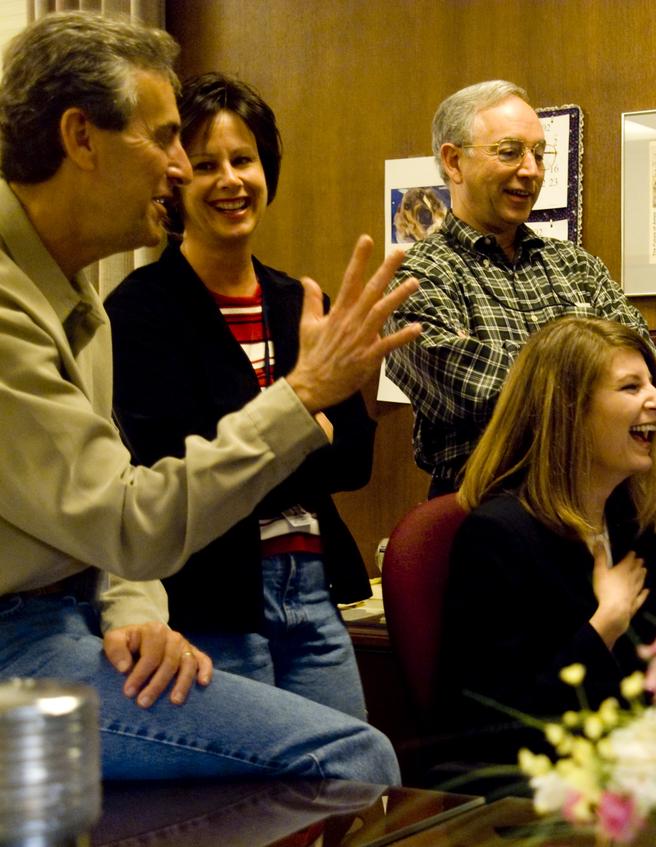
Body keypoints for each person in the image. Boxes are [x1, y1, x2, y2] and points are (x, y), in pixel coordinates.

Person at [0, 12, 420, 781]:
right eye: (167, 140)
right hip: (36, 635)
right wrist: (300, 400)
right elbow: (136, 512)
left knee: (347, 768)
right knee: (350, 759)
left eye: (240, 158)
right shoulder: (76, 306)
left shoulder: (76, 297)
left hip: (108, 606)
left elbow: (107, 513)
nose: (180, 170)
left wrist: (136, 612)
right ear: (80, 137)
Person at [105, 73, 373, 720]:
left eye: (243, 159)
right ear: (174, 181)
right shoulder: (139, 312)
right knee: (248, 811)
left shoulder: (299, 303)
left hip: (312, 586)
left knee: (358, 787)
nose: (230, 179)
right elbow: (172, 465)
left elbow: (355, 457)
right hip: (209, 597)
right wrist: (305, 422)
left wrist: (263, 442)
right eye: (205, 165)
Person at [382, 80, 656, 497]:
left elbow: (654, 380)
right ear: (454, 161)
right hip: (487, 508)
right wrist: (605, 387)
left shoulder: (577, 266)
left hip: (600, 502)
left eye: (538, 153)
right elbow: (470, 392)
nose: (531, 170)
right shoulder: (418, 274)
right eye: (510, 152)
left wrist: (527, 377)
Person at [436, 316, 656, 761]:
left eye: (652, 385)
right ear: (568, 409)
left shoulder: (632, 522)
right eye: (631, 387)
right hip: (526, 798)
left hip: (631, 771)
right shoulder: (498, 536)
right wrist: (606, 623)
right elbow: (496, 727)